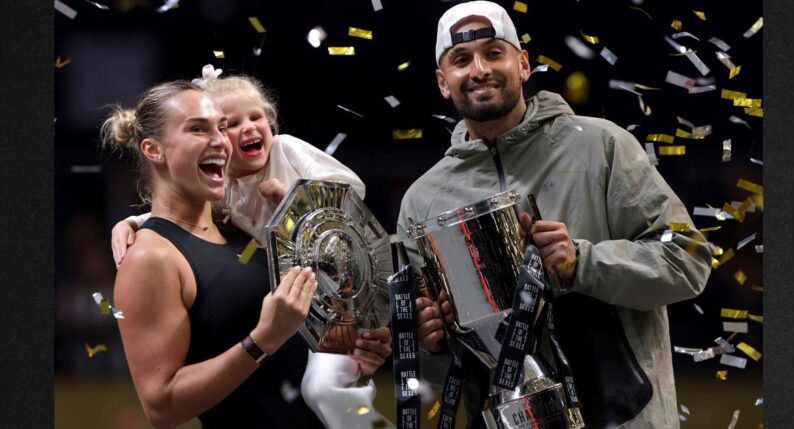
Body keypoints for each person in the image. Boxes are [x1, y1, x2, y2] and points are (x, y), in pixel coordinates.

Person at [396, 1, 712, 428]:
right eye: (461, 60)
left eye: (494, 53)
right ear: (442, 82)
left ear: (523, 64)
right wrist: (429, 340)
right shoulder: (423, 202)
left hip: (624, 417)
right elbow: (442, 368)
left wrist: (583, 263)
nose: (479, 70)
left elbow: (690, 259)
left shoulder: (601, 147)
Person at [109, 70, 393, 428]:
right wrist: (263, 339)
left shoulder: (241, 225)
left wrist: (349, 344)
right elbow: (162, 408)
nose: (221, 141)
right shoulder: (151, 256)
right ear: (153, 149)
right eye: (199, 129)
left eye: (219, 127)